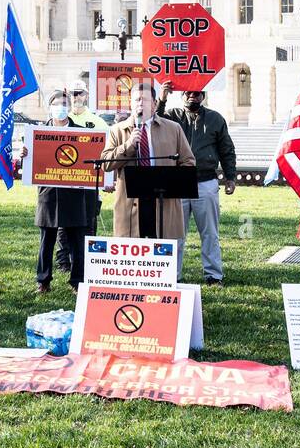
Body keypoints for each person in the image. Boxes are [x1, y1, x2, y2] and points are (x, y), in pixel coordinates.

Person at [156, 81, 237, 286]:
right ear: (182, 94)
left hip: (206, 180)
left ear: (204, 95)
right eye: (189, 92)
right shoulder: (172, 116)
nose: (193, 95)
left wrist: (230, 176)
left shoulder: (215, 118)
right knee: (174, 233)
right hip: (177, 180)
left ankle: (213, 275)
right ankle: (171, 275)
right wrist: (162, 99)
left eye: (198, 93)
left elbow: (227, 149)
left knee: (210, 232)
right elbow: (153, 122)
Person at [19, 90, 99, 295]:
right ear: (50, 106)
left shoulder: (82, 132)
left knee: (77, 240)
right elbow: (29, 164)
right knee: (47, 240)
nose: (61, 107)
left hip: (75, 193)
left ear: (70, 106)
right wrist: (24, 154)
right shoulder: (37, 133)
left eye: (65, 103)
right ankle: (43, 280)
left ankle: (77, 281)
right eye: (57, 103)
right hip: (49, 192)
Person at [101, 80, 195, 245]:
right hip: (131, 203)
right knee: (133, 255)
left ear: (154, 104)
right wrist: (128, 146)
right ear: (130, 104)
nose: (140, 104)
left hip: (162, 200)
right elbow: (106, 164)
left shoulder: (173, 129)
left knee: (163, 252)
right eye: (136, 100)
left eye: (144, 100)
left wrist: (171, 183)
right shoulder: (118, 130)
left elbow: (188, 162)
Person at [54, 79, 108, 274]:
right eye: (73, 93)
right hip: (62, 181)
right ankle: (63, 261)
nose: (77, 97)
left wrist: (106, 180)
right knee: (62, 223)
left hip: (87, 183)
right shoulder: (59, 119)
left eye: (80, 93)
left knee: (88, 222)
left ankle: (88, 260)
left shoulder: (97, 122)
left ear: (86, 95)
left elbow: (105, 153)